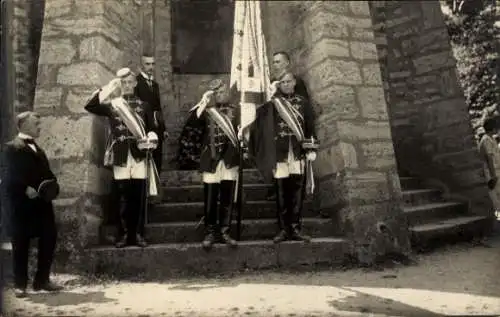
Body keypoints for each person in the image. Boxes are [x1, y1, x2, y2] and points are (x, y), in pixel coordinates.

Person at [85, 68, 159, 248]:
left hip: (139, 154)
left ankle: (139, 234)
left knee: (139, 197)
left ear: (135, 84)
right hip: (120, 154)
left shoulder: (145, 106)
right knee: (123, 197)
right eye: (123, 83)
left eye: (129, 82)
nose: (126, 86)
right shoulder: (113, 105)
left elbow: (152, 128)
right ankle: (124, 234)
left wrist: (152, 137)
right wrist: (109, 88)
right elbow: (91, 105)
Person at [248, 72, 318, 243]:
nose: (286, 84)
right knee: (281, 191)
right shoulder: (272, 103)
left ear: (294, 82)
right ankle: (283, 229)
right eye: (283, 82)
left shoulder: (303, 102)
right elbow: (259, 119)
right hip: (279, 152)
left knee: (297, 191)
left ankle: (295, 228)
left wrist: (311, 148)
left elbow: (310, 126)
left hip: (297, 150)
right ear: (279, 85)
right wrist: (269, 96)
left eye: (289, 81)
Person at [0, 111, 63, 297]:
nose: (40, 126)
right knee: (20, 243)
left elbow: (48, 175)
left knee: (49, 238)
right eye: (36, 122)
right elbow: (7, 176)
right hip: (21, 205)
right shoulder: (10, 148)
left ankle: (42, 280)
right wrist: (24, 188)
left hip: (42, 204)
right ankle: (20, 284)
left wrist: (52, 185)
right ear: (24, 124)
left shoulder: (39, 150)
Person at [191, 79, 240, 250]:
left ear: (228, 93)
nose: (220, 95)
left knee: (227, 198)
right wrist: (204, 101)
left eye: (223, 92)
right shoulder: (207, 111)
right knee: (210, 198)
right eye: (217, 93)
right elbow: (193, 122)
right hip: (211, 159)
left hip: (229, 159)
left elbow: (245, 131)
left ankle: (225, 231)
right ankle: (210, 232)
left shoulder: (237, 111)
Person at [265, 51, 311, 201]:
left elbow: (304, 107)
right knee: (278, 164)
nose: (275, 65)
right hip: (278, 132)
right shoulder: (271, 82)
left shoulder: (297, 81)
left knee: (295, 166)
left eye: (278, 61)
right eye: (274, 62)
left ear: (287, 63)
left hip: (294, 131)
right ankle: (275, 189)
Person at [134, 53, 167, 173]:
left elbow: (158, 108)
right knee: (144, 159)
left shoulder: (155, 85)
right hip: (143, 125)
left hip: (156, 126)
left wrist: (163, 128)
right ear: (141, 66)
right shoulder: (135, 82)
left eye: (153, 64)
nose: (151, 67)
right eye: (147, 64)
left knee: (157, 158)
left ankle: (155, 189)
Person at [478, 118, 500, 212]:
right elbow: (489, 158)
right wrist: (493, 175)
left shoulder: (492, 139)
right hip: (492, 173)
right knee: (496, 199)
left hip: (497, 170)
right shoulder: (486, 140)